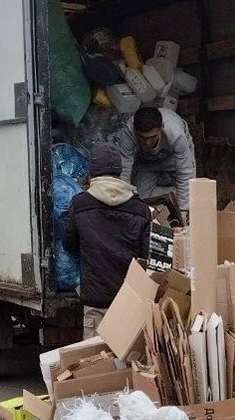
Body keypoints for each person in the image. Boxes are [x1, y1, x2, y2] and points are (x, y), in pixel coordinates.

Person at [63, 142, 151, 337]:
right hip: (127, 302)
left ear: (91, 172)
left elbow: (68, 245)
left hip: (95, 302)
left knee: (95, 363)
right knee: (125, 364)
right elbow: (146, 258)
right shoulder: (141, 209)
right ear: (119, 171)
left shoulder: (79, 205)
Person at [112, 106, 196, 212]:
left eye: (152, 137)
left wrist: (183, 211)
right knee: (140, 201)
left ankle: (174, 198)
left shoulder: (175, 133)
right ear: (135, 130)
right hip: (147, 161)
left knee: (191, 196)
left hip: (173, 158)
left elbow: (185, 172)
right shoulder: (128, 133)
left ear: (162, 128)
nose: (148, 143)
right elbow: (124, 172)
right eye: (143, 138)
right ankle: (168, 198)